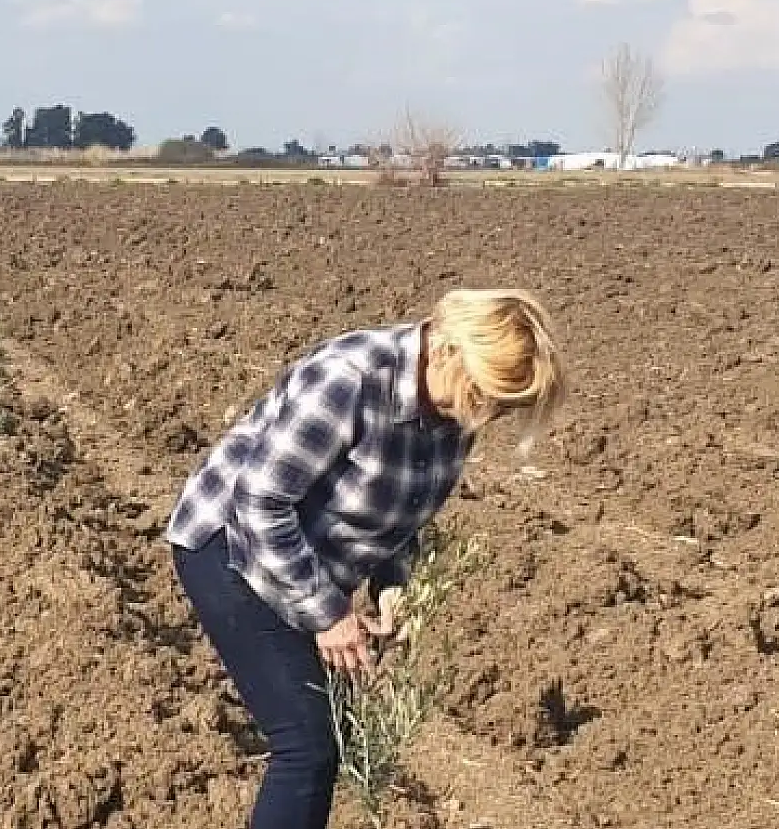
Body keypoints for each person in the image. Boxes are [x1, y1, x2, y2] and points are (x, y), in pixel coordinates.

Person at [167, 288, 567, 829]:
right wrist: (329, 614)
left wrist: (392, 588)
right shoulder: (351, 377)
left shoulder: (454, 407)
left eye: (501, 406)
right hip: (232, 546)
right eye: (484, 394)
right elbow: (259, 502)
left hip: (304, 560)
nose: (487, 414)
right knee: (307, 744)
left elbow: (400, 506)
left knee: (333, 735)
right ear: (449, 349)